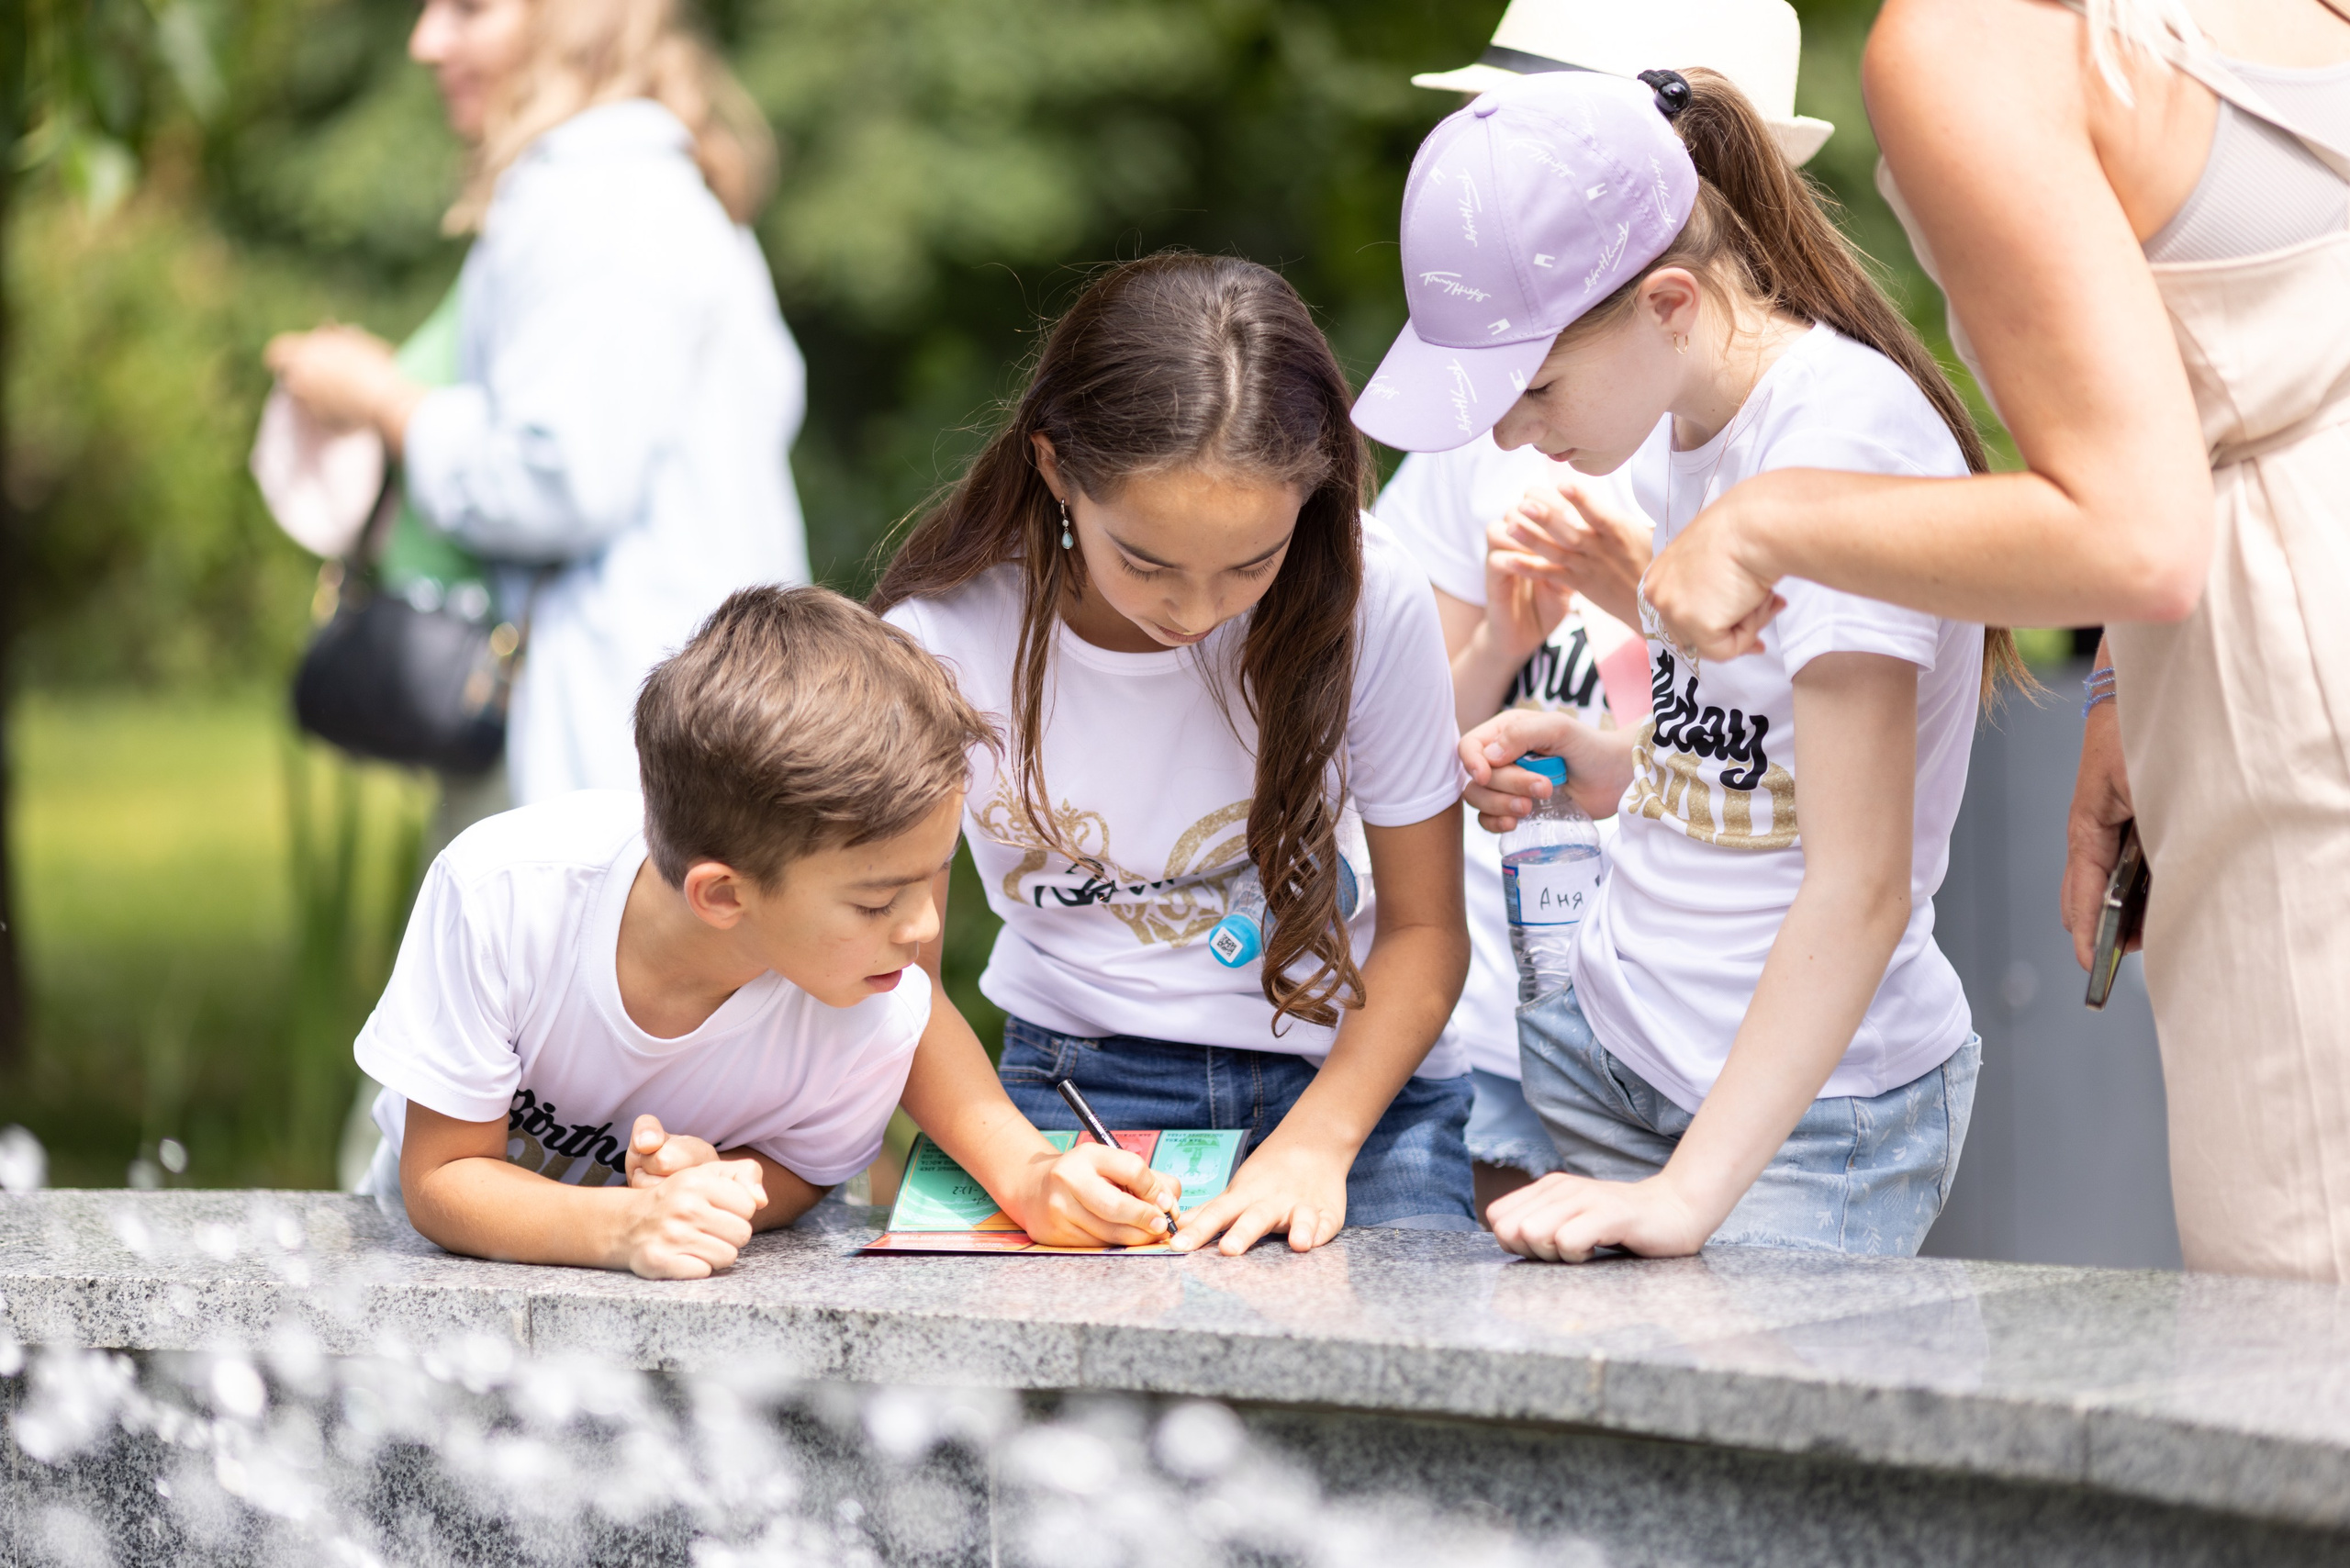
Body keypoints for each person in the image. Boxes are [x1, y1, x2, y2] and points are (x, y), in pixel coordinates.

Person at [1636, 0, 2350, 1282]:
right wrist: (2125, 678)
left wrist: (1764, 522)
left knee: (2301, 1299)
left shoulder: (1972, 42)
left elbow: (2138, 536)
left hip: (2301, 691)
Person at [1354, 68, 2025, 1261]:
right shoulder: (1687, 421)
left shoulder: (1838, 446)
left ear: (1668, 302)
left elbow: (1863, 884)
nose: (1508, 434)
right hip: (1627, 1050)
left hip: (1792, 1123)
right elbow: (1759, 739)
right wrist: (1619, 763)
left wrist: (1681, 1197)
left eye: (1535, 387)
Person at [872, 254, 1474, 1255]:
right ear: (1055, 468)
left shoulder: (1372, 596)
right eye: (1145, 562)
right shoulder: (941, 640)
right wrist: (1024, 1171)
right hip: (1075, 1086)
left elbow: (1425, 930)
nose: (1196, 611)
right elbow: (898, 975)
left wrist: (1315, 1144)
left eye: (1253, 563)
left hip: (1354, 1091)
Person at [354, 588, 1179, 1277]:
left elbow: (806, 1171)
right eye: (875, 902)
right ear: (723, 895)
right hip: (439, 1279)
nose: (923, 927)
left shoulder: (869, 1004)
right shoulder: (504, 896)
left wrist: (727, 1185)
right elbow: (442, 1177)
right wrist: (626, 1226)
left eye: (931, 878)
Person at [1375, 0, 1836, 1222]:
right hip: (1503, 1021)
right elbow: (1390, 737)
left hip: (1730, 1048)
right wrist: (1500, 649)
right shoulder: (1498, 414)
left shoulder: (1801, 429)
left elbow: (1831, 779)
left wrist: (1647, 585)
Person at [263, 0, 810, 821]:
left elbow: (554, 479)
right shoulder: (647, 184)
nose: (426, 41)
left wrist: (381, 400)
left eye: (469, 9)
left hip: (619, 753)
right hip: (702, 729)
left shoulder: (596, 198)